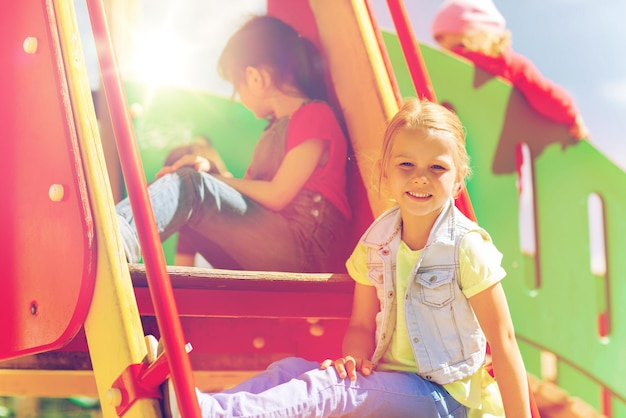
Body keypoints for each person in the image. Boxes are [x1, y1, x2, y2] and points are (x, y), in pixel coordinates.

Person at [162, 98, 531, 418]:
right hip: (393, 383)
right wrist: (356, 359)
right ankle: (205, 404)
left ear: (459, 178)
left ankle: (212, 414)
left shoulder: (466, 246)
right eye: (406, 165)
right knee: (291, 369)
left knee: (333, 390)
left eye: (437, 167)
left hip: (446, 400)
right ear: (385, 172)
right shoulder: (377, 242)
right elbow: (360, 326)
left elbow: (504, 342)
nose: (420, 178)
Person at [116, 15, 352, 273]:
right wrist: (212, 172)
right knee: (188, 203)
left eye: (235, 87)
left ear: (255, 78)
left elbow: (276, 195)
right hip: (276, 241)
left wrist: (207, 181)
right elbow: (248, 196)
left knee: (190, 187)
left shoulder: (315, 115)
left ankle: (116, 238)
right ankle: (168, 292)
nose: (238, 97)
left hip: (307, 252)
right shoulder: (273, 131)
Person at [432, 0, 590, 141]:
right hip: (494, 150)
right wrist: (572, 116)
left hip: (461, 147)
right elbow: (546, 96)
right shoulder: (514, 66)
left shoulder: (441, 68)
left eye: (442, 37)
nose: (439, 44)